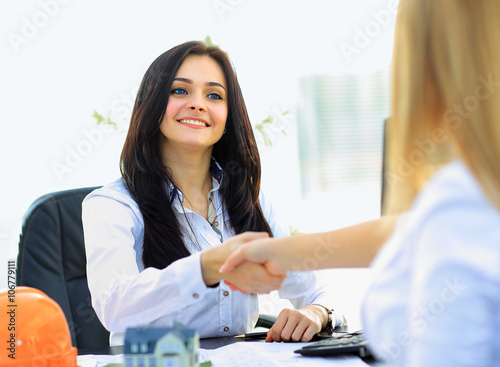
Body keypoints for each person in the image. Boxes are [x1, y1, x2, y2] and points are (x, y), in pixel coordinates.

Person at [220, 1, 500, 365]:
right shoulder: (469, 198)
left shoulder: (460, 198)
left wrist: (315, 302)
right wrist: (284, 253)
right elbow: (419, 229)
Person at [82, 40, 342, 346]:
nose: (198, 104)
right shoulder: (113, 204)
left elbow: (315, 287)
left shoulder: (250, 201)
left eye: (214, 95)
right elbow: (115, 307)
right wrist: (204, 268)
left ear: (228, 115)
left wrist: (317, 311)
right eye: (180, 90)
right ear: (151, 104)